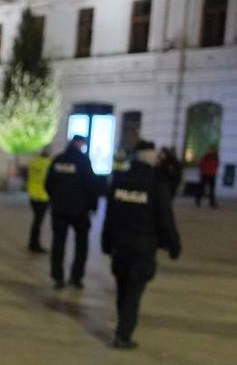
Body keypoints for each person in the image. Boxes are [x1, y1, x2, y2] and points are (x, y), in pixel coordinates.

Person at [100, 139, 181, 349]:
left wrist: (106, 242)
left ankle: (122, 325)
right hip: (143, 248)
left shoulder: (119, 179)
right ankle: (123, 334)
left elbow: (109, 215)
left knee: (123, 289)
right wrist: (174, 245)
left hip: (121, 247)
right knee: (134, 293)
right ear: (152, 157)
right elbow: (165, 217)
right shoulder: (157, 183)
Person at [45, 136, 99, 289]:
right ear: (79, 144)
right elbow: (91, 185)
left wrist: (55, 199)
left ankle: (58, 277)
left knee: (58, 244)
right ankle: (76, 277)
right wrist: (92, 206)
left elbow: (48, 183)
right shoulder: (83, 161)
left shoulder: (58, 159)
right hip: (80, 211)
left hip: (59, 209)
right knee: (81, 245)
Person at [25, 147, 52, 253]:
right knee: (38, 222)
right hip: (43, 196)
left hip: (32, 194)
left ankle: (33, 242)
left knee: (36, 221)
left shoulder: (33, 162)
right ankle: (34, 244)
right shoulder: (48, 164)